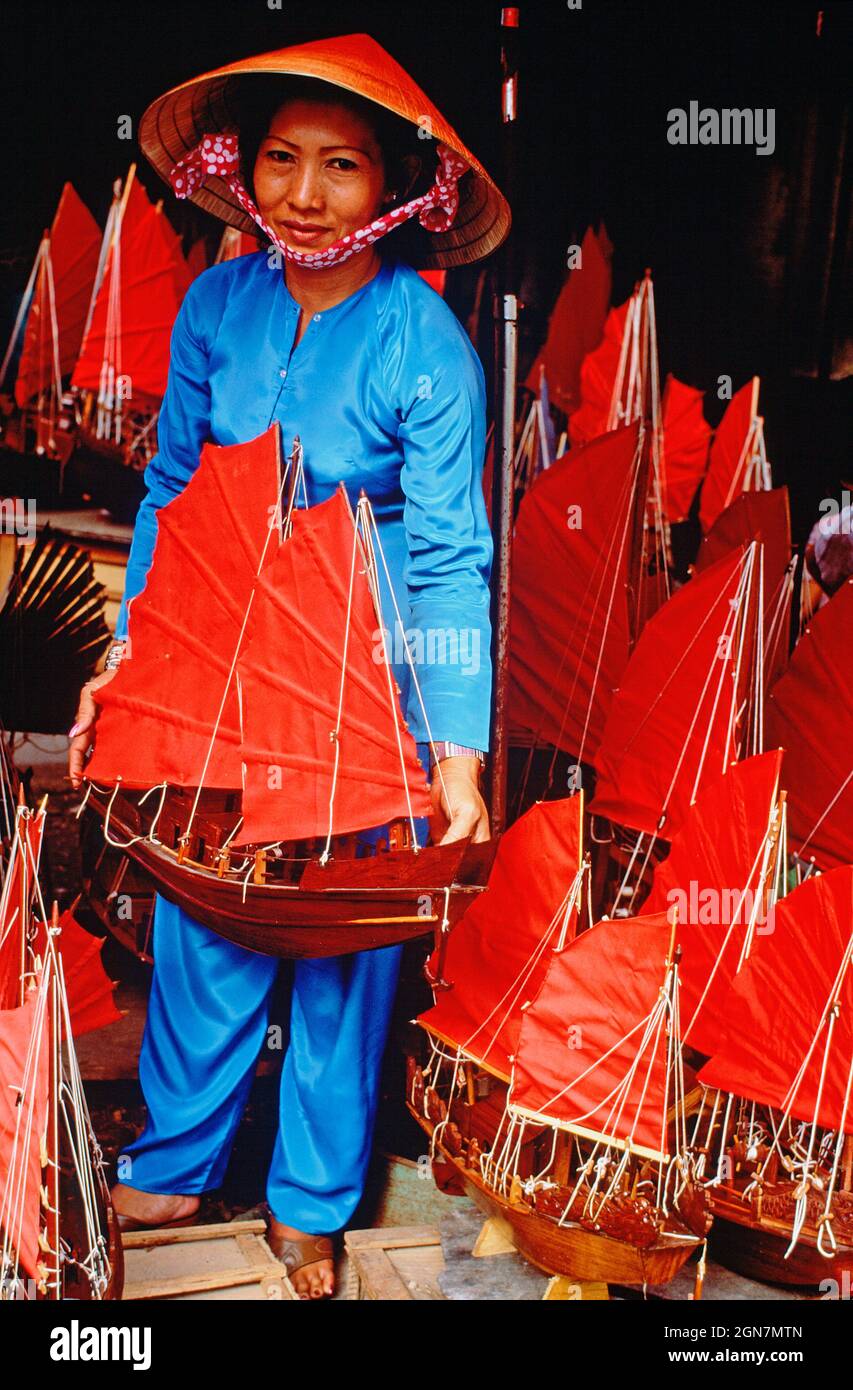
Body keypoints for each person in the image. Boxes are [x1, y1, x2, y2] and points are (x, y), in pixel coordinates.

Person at [67, 34, 509, 1299]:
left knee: (340, 944)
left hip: (364, 680)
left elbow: (447, 556)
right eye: (281, 159)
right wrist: (131, 655)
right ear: (241, 169)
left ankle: (313, 1199)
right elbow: (169, 492)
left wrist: (456, 749)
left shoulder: (426, 347)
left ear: (399, 186)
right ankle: (177, 1156)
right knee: (205, 917)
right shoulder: (216, 306)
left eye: (342, 165)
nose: (307, 192)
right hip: (219, 659)